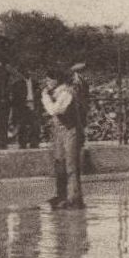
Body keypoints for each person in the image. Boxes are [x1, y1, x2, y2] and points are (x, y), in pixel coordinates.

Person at [42, 68, 85, 209]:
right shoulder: (55, 92)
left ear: (56, 80)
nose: (46, 82)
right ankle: (61, 196)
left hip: (71, 130)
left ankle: (74, 198)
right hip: (60, 131)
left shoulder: (66, 92)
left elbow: (55, 110)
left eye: (49, 80)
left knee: (71, 165)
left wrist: (45, 98)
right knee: (59, 163)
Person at [9, 69, 42, 149]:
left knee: (35, 124)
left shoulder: (35, 83)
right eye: (25, 71)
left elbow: (39, 95)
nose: (27, 73)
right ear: (22, 73)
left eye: (29, 71)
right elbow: (15, 98)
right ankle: (22, 143)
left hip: (33, 104)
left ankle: (34, 143)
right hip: (22, 106)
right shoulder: (17, 84)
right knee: (22, 125)